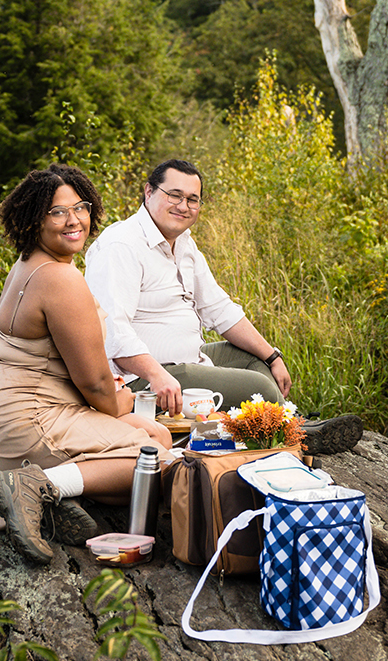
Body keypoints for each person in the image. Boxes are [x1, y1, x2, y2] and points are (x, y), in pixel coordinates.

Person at [83, 159, 363, 456]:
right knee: (262, 388)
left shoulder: (185, 243)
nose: (184, 206)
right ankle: (295, 435)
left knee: (257, 362)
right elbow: (114, 332)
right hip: (147, 378)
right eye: (174, 195)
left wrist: (273, 355)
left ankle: (282, 429)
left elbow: (219, 308)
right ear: (148, 192)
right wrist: (157, 375)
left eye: (193, 199)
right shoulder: (122, 245)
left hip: (188, 362)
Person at [0, 162, 173, 566]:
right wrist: (135, 399)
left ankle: (51, 502)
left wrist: (128, 408)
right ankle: (36, 486)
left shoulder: (32, 265)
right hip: (27, 426)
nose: (73, 219)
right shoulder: (60, 280)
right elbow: (97, 388)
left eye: (79, 206)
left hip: (1, 427)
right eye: (57, 211)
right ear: (34, 220)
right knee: (159, 461)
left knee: (155, 436)